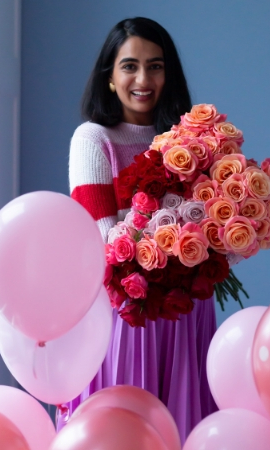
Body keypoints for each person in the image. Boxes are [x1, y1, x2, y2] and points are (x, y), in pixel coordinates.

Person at [63, 17, 217, 442]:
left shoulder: (189, 140)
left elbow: (211, 226)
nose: (143, 78)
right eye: (129, 65)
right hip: (127, 312)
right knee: (126, 428)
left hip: (186, 311)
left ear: (169, 75)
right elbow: (106, 241)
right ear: (109, 77)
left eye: (156, 65)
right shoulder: (93, 140)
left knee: (185, 424)